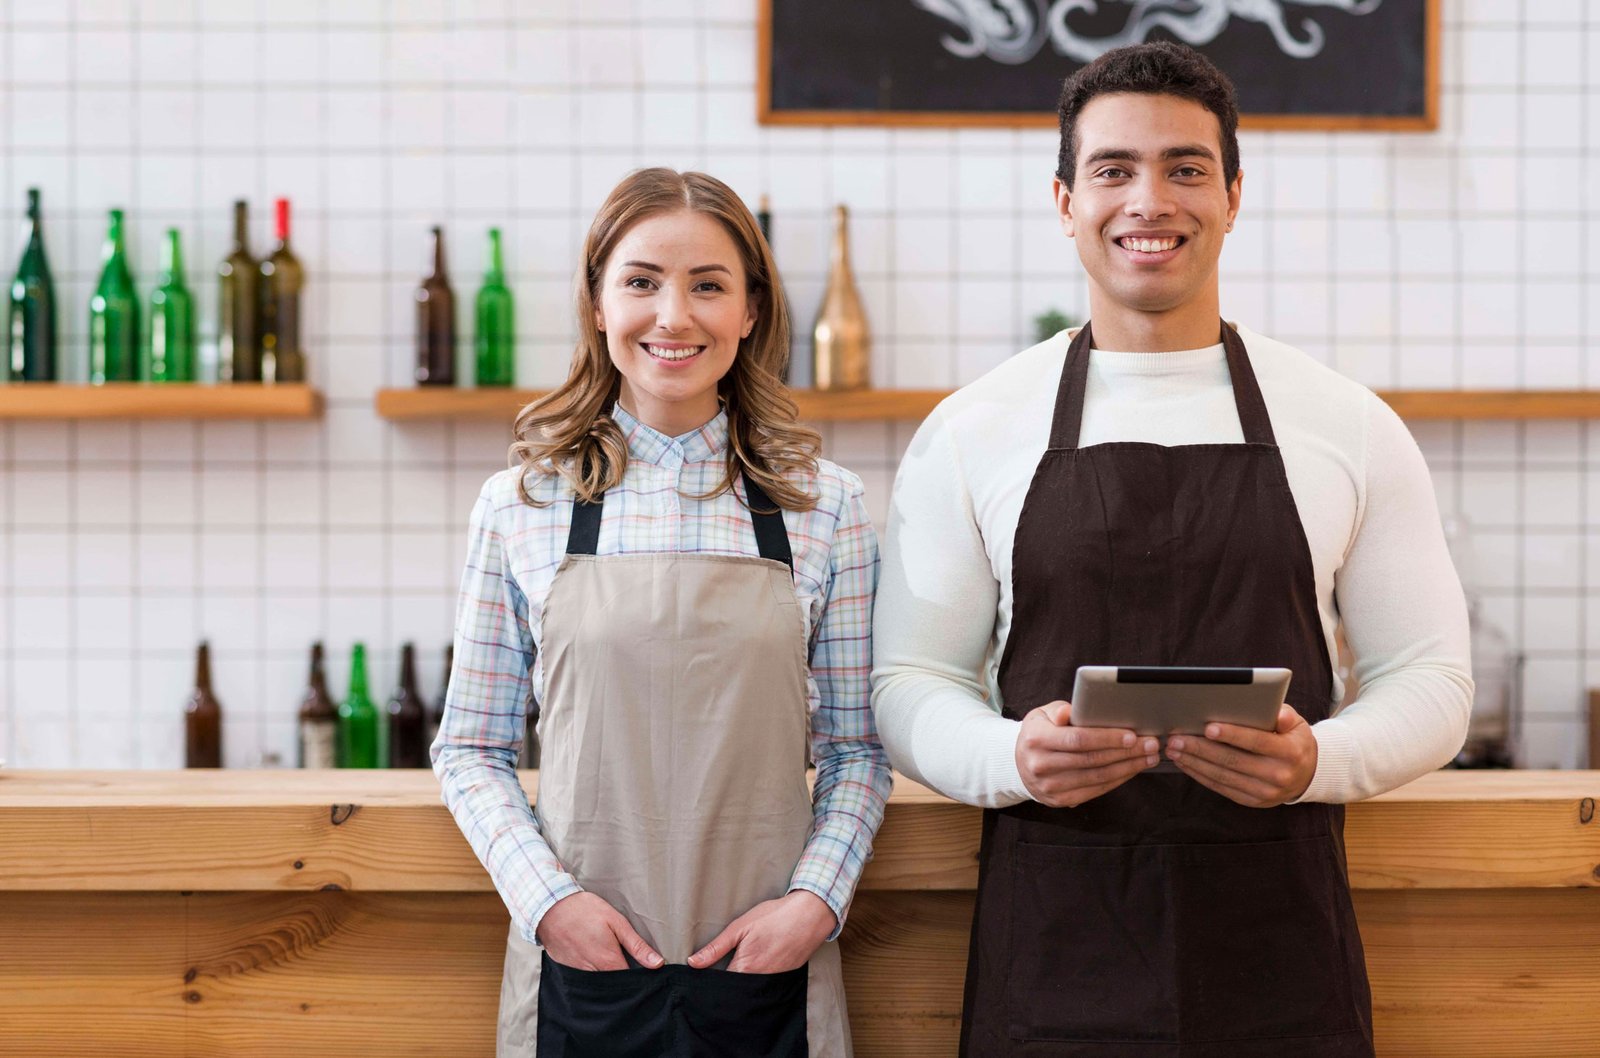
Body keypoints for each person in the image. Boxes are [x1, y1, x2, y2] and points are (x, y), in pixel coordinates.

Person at [871, 42, 1471, 1057]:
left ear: (1233, 195)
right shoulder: (973, 428)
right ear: (1063, 200)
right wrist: (1009, 754)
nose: (1149, 199)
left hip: (1279, 957)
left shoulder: (1346, 423)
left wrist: (1312, 759)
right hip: (1053, 952)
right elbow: (908, 679)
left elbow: (1433, 679)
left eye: (1185, 167)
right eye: (1113, 169)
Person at [435, 167, 890, 1058]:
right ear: (598, 305)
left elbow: (856, 749)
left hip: (769, 971)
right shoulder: (521, 504)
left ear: (751, 310)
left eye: (708, 285)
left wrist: (814, 904)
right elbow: (470, 749)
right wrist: (548, 903)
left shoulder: (824, 505)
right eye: (641, 282)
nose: (673, 316)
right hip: (582, 971)